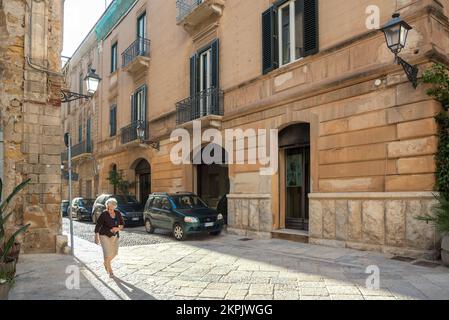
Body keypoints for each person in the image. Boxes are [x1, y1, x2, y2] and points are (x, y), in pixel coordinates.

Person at [94, 198, 124, 278]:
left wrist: (117, 229)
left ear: (114, 207)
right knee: (107, 254)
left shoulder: (118, 213)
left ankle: (106, 263)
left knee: (114, 253)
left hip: (114, 236)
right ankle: (110, 271)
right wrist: (96, 237)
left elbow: (122, 225)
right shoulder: (104, 214)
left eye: (110, 208)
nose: (109, 210)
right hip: (104, 235)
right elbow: (98, 225)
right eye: (107, 207)